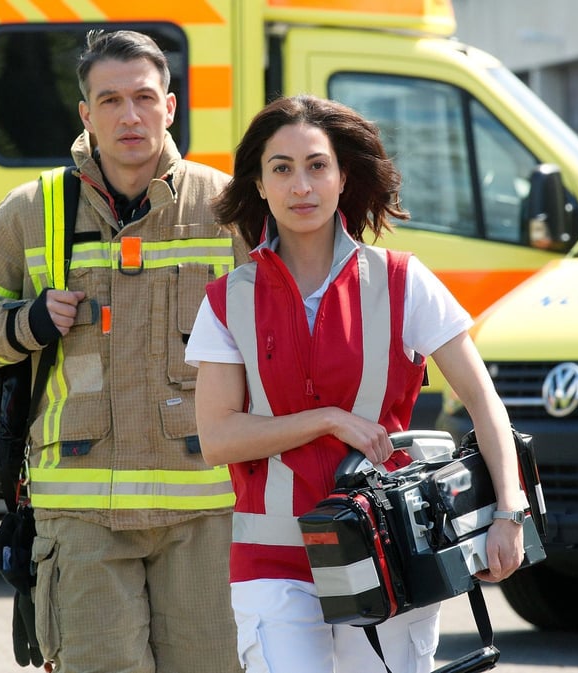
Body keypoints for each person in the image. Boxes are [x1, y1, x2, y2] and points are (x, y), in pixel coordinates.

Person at [0, 30, 246, 673]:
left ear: (170, 107)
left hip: (206, 515)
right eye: (110, 100)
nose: (130, 116)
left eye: (144, 98)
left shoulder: (227, 207)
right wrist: (27, 323)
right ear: (86, 115)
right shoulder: (33, 210)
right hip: (81, 517)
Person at [184, 94, 527, 673]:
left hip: (390, 549)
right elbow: (217, 439)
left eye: (317, 165)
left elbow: (482, 400)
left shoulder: (404, 281)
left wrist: (509, 512)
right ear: (260, 185)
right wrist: (327, 420)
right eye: (281, 168)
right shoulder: (226, 300)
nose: (301, 186)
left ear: (343, 177)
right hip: (273, 560)